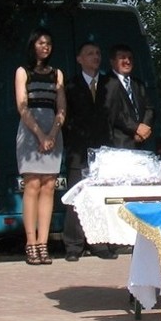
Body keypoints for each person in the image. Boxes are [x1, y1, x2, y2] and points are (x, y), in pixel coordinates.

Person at [14, 28, 66, 265]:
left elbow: (61, 107)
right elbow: (22, 107)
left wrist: (53, 132)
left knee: (49, 186)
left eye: (49, 43)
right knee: (32, 184)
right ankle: (31, 243)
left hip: (53, 131)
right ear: (32, 44)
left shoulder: (57, 74)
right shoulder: (23, 72)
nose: (45, 47)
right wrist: (40, 134)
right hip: (30, 131)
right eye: (41, 42)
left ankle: (44, 244)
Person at [62, 41, 114, 261]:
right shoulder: (70, 86)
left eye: (98, 53)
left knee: (100, 197)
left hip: (103, 151)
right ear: (79, 59)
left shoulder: (109, 84)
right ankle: (74, 245)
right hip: (78, 150)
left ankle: (99, 243)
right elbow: (65, 118)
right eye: (90, 53)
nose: (95, 56)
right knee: (77, 197)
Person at [104, 43, 154, 149]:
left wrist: (143, 129)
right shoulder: (106, 83)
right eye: (122, 58)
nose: (127, 61)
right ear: (112, 61)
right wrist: (136, 128)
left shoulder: (138, 84)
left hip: (141, 142)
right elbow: (113, 111)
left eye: (130, 58)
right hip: (119, 143)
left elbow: (149, 108)